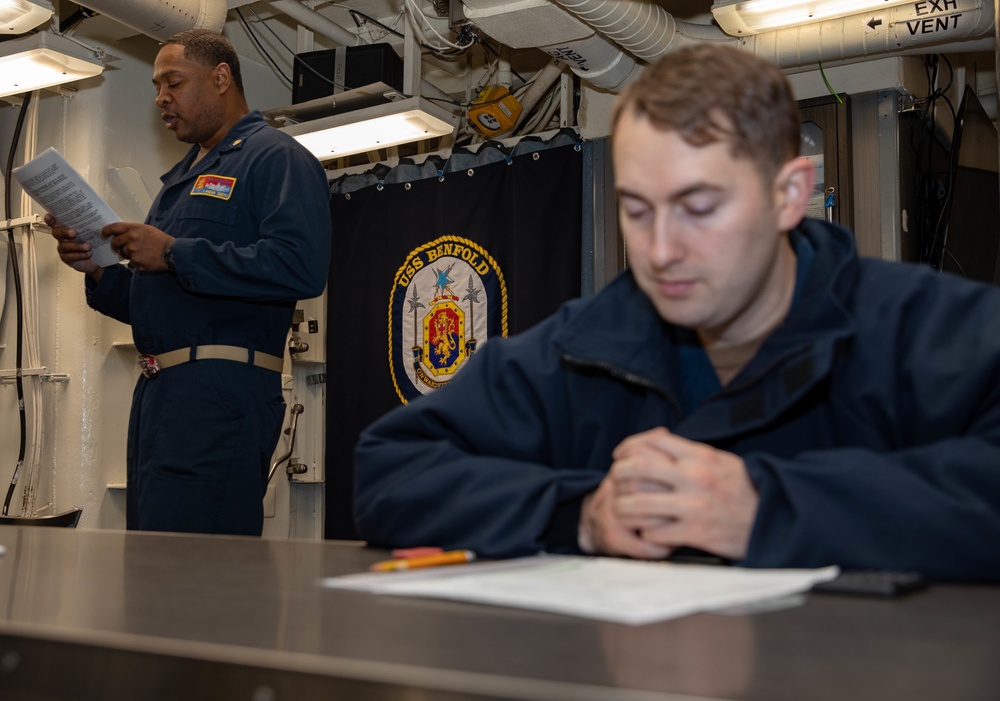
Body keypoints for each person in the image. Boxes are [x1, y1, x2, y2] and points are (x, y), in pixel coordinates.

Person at [353, 43, 1000, 581]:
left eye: (699, 207)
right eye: (637, 208)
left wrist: (767, 507)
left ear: (790, 194)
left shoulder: (930, 329)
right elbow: (392, 468)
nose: (660, 251)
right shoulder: (582, 349)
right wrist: (579, 513)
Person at [47, 29, 331, 536]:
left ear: (221, 78)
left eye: (173, 82)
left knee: (198, 573)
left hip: (221, 393)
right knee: (155, 561)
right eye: (157, 86)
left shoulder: (274, 158)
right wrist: (96, 268)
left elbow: (301, 266)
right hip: (162, 394)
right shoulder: (180, 182)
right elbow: (158, 299)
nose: (161, 97)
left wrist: (175, 251)